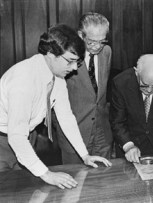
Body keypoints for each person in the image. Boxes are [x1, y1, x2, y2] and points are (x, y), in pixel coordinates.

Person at [0, 24, 111, 189]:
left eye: (77, 62)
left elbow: (66, 117)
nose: (74, 68)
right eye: (71, 61)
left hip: (26, 137)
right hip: (4, 142)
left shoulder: (56, 76)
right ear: (51, 55)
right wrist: (47, 174)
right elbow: (16, 137)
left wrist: (85, 155)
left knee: (26, 189)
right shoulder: (23, 81)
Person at [54, 12, 113, 163]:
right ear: (81, 35)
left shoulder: (106, 52)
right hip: (75, 132)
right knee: (77, 182)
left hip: (102, 132)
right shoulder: (65, 56)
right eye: (92, 42)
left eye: (102, 41)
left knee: (104, 180)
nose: (98, 46)